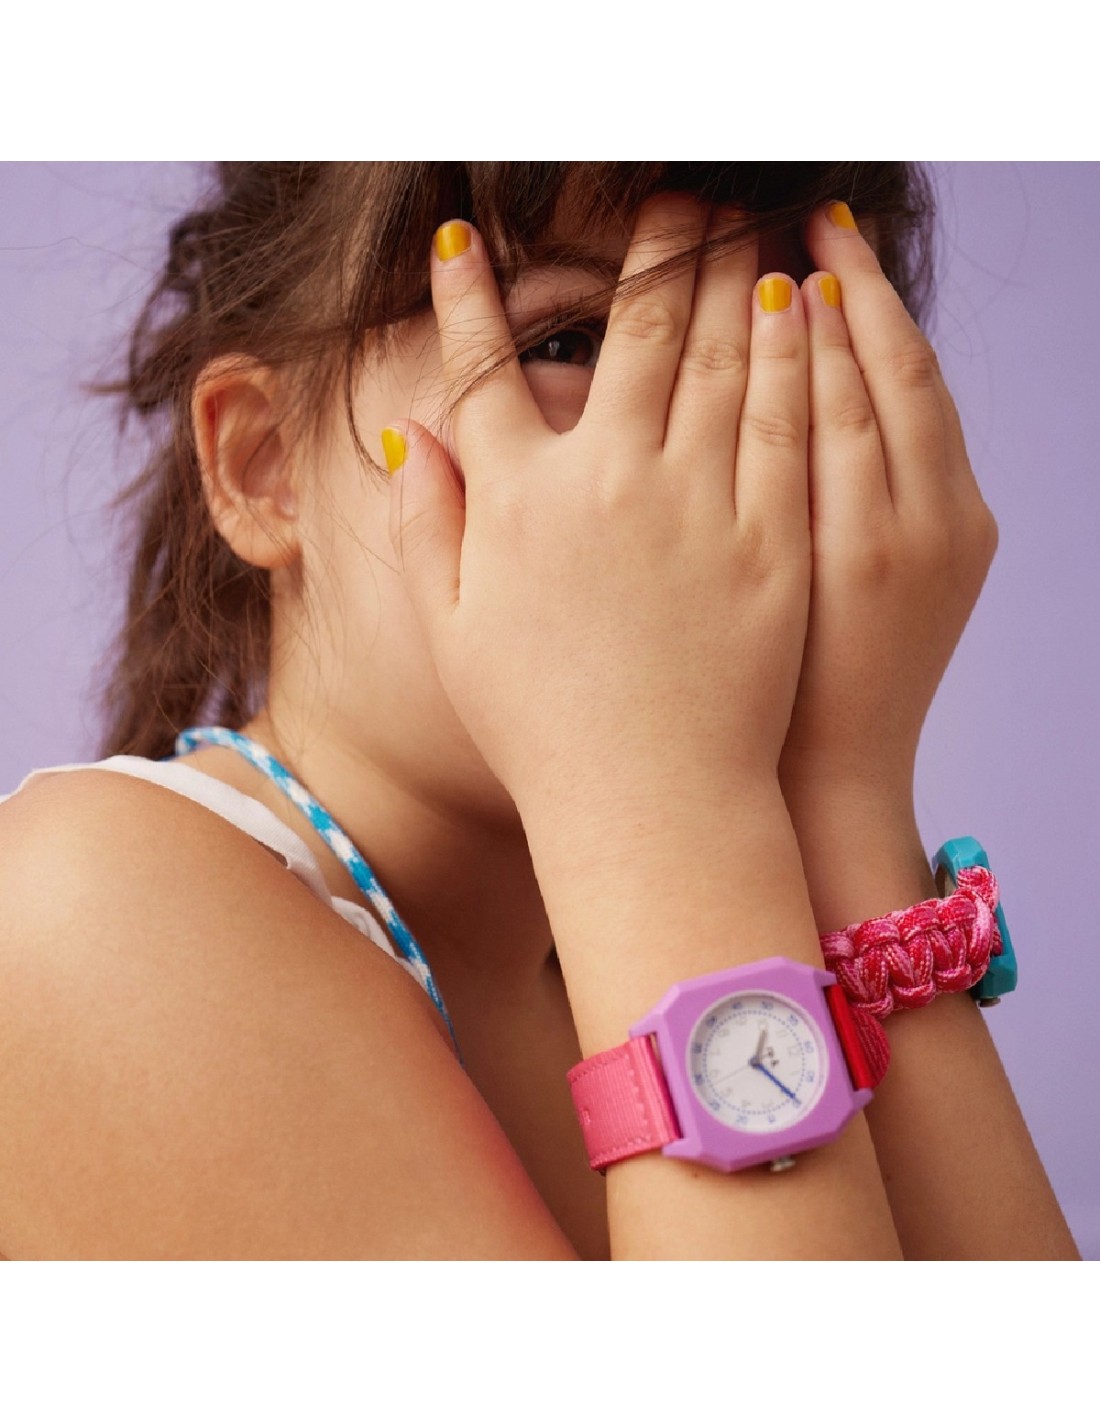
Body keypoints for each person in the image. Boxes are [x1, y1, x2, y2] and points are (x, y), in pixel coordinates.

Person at [0, 162, 1079, 1260]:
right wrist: (661, 781)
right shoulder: (88, 904)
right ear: (265, 464)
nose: (719, 454)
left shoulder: (626, 947)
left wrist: (840, 800)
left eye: (795, 353)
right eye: (568, 343)